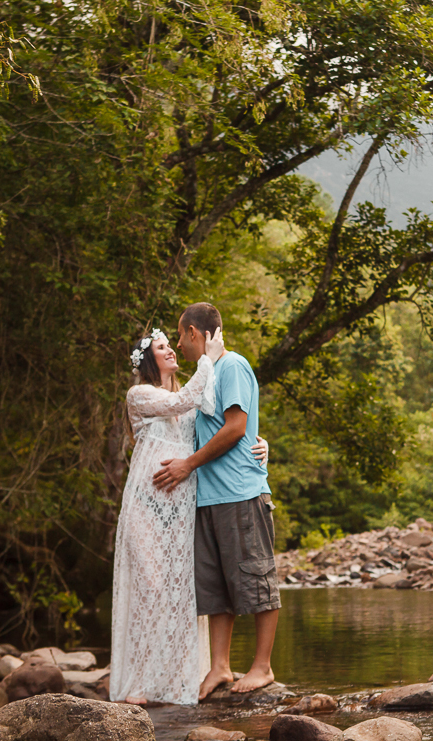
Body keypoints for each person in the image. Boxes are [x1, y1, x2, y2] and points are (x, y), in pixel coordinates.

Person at [110, 326, 268, 706]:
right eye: (162, 347)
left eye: (171, 344)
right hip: (147, 502)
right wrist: (208, 360)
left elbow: (222, 426)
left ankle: (177, 677)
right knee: (150, 587)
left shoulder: (190, 396)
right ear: (148, 360)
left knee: (181, 590)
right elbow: (183, 400)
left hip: (182, 507)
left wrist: (260, 443)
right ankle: (139, 682)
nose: (171, 350)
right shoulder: (140, 394)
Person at [153, 302, 280, 700]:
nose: (178, 344)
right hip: (207, 497)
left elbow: (237, 427)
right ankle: (220, 667)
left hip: (241, 492)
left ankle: (262, 667)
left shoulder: (232, 366)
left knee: (256, 579)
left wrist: (188, 464)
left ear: (194, 332)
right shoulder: (204, 375)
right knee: (214, 587)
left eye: (180, 335)